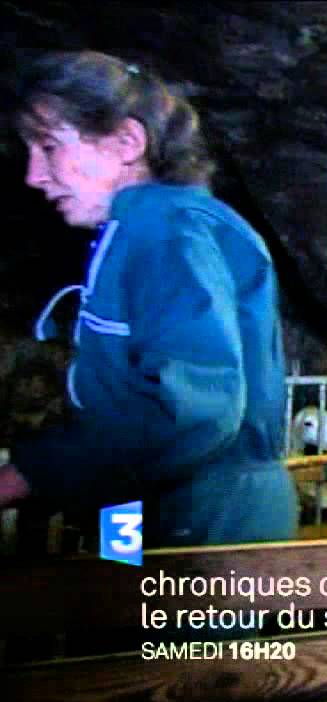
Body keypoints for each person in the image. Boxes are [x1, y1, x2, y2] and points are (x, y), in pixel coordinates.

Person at [0, 50, 297, 551]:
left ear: (126, 142)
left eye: (48, 147)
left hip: (206, 517)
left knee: (172, 630)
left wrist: (25, 475)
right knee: (116, 623)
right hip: (136, 505)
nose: (33, 175)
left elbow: (194, 412)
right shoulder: (132, 233)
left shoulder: (168, 230)